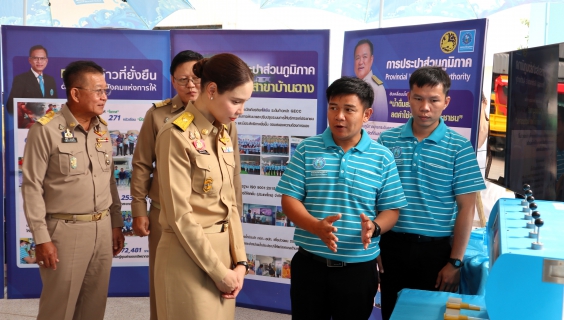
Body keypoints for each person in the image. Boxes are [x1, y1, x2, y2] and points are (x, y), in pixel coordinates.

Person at [275, 76, 408, 320]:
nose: (339, 116)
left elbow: (392, 210)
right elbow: (289, 199)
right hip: (310, 265)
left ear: (366, 115)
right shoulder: (307, 149)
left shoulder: (382, 157)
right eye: (333, 108)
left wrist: (375, 227)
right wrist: (315, 226)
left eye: (349, 109)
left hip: (358, 270)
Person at [376, 66, 486, 320]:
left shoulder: (459, 148)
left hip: (436, 254)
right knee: (393, 313)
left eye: (434, 100)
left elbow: (466, 208)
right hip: (392, 246)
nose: (425, 107)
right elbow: (374, 197)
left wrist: (455, 262)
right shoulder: (386, 141)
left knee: (431, 315)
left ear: (446, 102)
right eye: (418, 98)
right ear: (408, 98)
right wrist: (375, 246)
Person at [21, 60, 124, 320]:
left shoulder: (102, 129)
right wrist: (42, 238)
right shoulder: (45, 130)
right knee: (59, 310)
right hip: (64, 232)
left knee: (93, 307)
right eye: (98, 90)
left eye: (106, 90)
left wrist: (116, 223)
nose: (104, 97)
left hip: (102, 229)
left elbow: (108, 179)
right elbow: (32, 187)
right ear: (75, 93)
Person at [154, 53, 253, 319]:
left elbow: (230, 203)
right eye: (235, 101)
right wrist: (220, 272)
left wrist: (240, 262)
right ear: (211, 90)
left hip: (224, 258)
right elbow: (180, 216)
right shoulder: (175, 135)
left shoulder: (221, 135)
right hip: (187, 257)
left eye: (244, 102)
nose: (240, 110)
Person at [130, 49, 203, 320]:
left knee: (201, 286)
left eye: (196, 78)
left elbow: (231, 176)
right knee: (162, 285)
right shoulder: (157, 115)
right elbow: (141, 164)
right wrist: (138, 209)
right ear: (173, 81)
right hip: (164, 215)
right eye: (182, 79)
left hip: (204, 215)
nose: (190, 85)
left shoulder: (219, 114)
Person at [7, 45, 58, 114]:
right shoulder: (21, 79)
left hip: (48, 122)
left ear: (46, 61)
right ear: (30, 60)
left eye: (42, 58)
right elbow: (11, 106)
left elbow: (55, 101)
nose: (39, 61)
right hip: (30, 121)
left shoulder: (50, 80)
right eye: (36, 58)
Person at [353, 39, 388, 122]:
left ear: (371, 59)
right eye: (357, 58)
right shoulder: (351, 87)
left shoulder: (377, 88)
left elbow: (381, 124)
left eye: (364, 57)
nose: (360, 62)